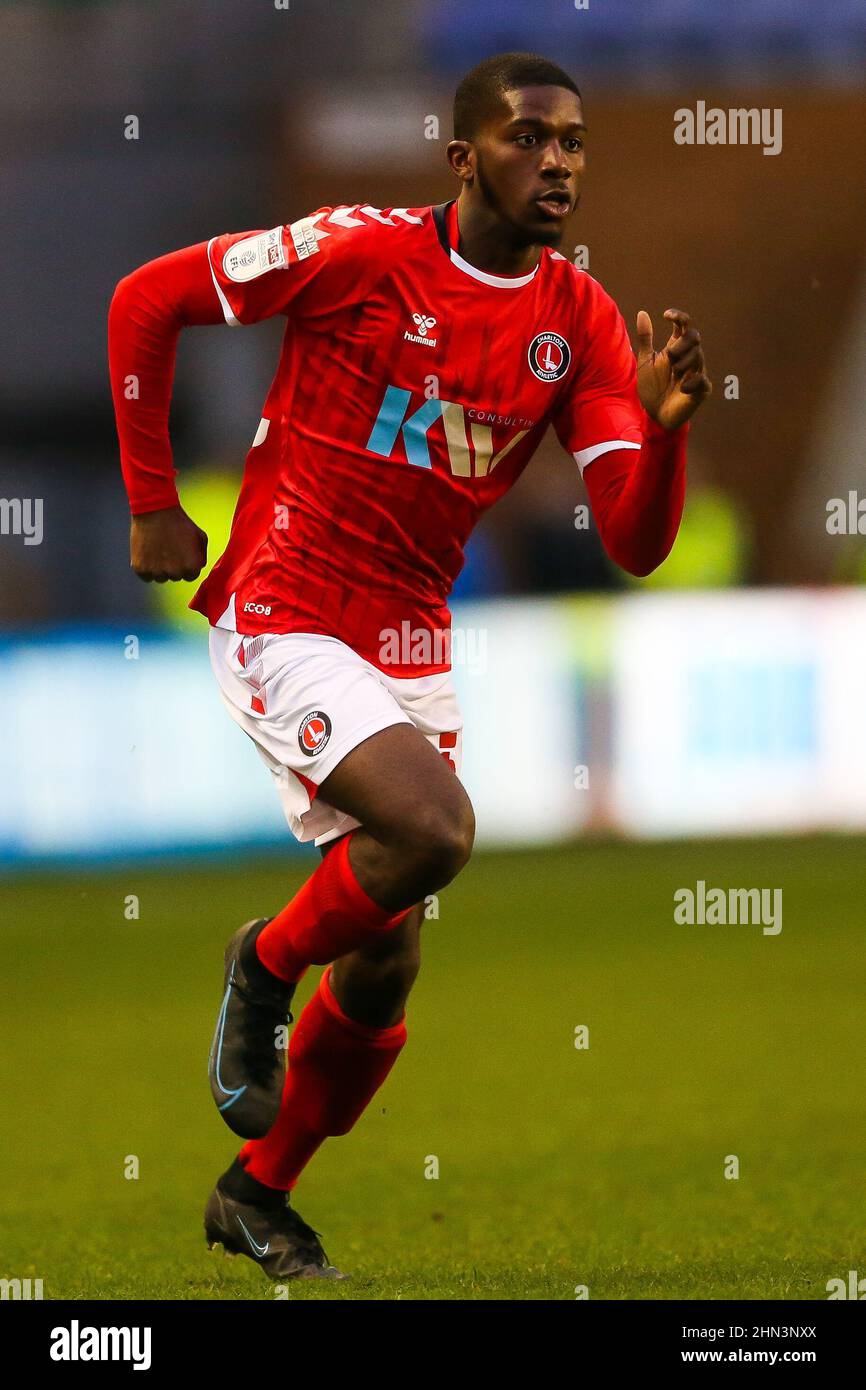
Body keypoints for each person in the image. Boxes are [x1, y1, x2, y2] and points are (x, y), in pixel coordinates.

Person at [108, 51, 711, 1281]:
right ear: (462, 156)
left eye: (572, 143)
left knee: (385, 961)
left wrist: (660, 434)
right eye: (527, 137)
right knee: (434, 832)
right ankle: (261, 963)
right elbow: (141, 299)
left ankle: (254, 1192)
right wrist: (152, 503)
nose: (555, 162)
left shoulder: (578, 322)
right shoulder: (360, 250)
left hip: (405, 638)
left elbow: (637, 540)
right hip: (284, 598)